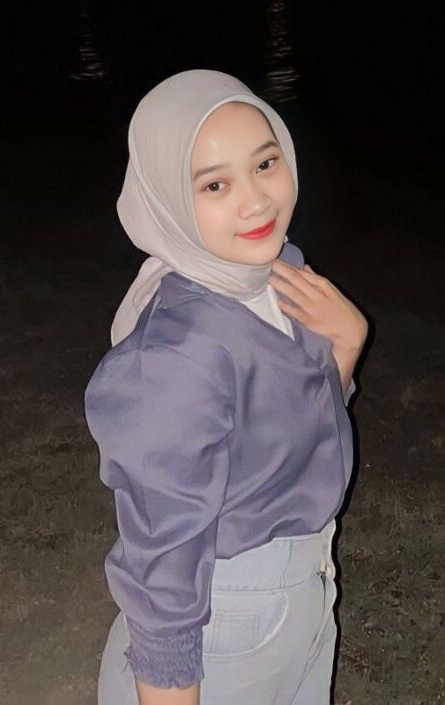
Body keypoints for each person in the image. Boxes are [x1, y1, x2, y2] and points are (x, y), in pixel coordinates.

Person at [85, 69, 368, 705]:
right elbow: (163, 562)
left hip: (306, 595)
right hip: (222, 624)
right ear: (168, 199)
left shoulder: (276, 274)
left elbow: (293, 432)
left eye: (265, 164)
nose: (256, 201)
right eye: (215, 184)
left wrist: (345, 347)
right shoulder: (175, 356)